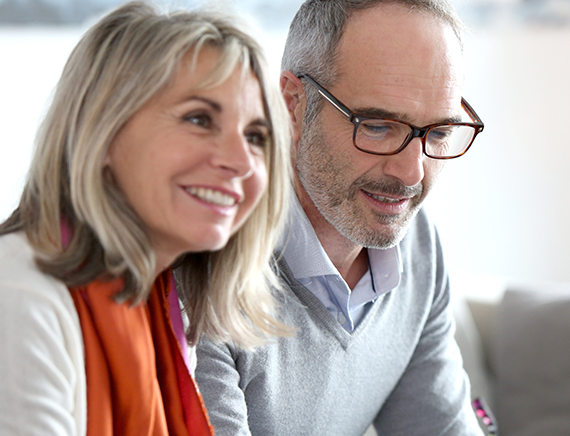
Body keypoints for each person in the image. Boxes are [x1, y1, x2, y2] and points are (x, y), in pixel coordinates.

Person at [194, 0, 486, 435]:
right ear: (293, 104)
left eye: (439, 133)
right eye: (377, 125)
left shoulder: (418, 245)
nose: (411, 173)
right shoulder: (205, 259)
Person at [0, 1, 291, 435]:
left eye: (255, 136)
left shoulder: (164, 307)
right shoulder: (20, 295)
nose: (241, 161)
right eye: (199, 118)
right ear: (99, 132)